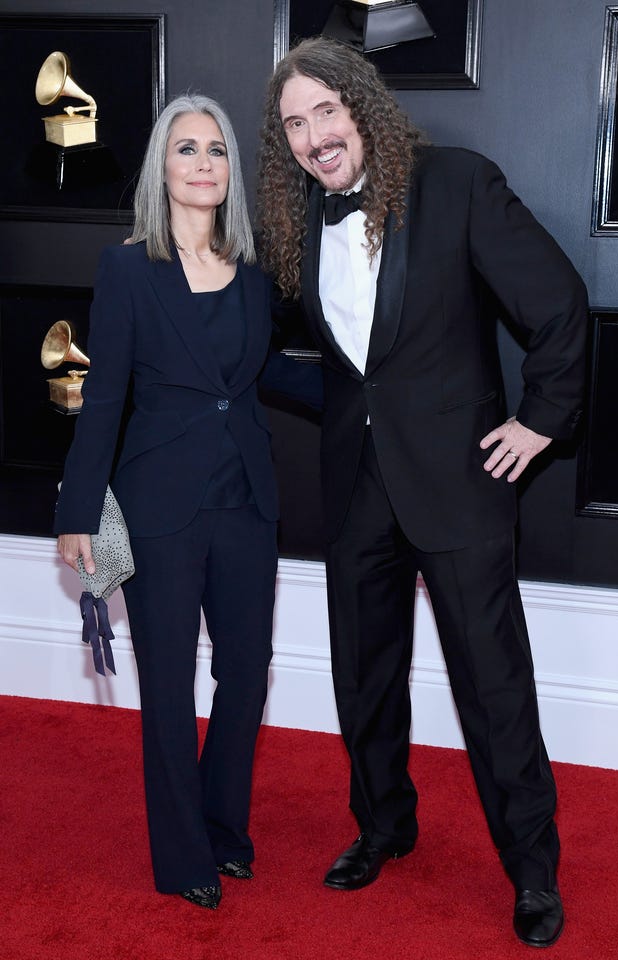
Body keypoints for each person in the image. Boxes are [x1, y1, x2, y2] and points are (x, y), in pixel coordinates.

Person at [256, 37, 588, 948]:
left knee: (493, 686)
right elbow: (333, 362)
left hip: (461, 480)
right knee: (363, 676)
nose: (315, 134)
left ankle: (532, 871)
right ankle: (383, 827)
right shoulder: (296, 226)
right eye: (294, 123)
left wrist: (541, 421)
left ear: (361, 105)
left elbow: (558, 304)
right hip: (357, 482)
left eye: (325, 109)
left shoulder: (457, 183)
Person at [55, 94, 321, 910]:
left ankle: (225, 830)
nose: (203, 162)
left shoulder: (254, 273)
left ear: (229, 171)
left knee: (247, 674)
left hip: (246, 498)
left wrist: (374, 396)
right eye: (186, 149)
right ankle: (182, 858)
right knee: (167, 684)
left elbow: (261, 374)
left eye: (216, 150)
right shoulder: (128, 268)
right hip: (159, 503)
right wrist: (76, 510)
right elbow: (104, 399)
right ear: (162, 170)